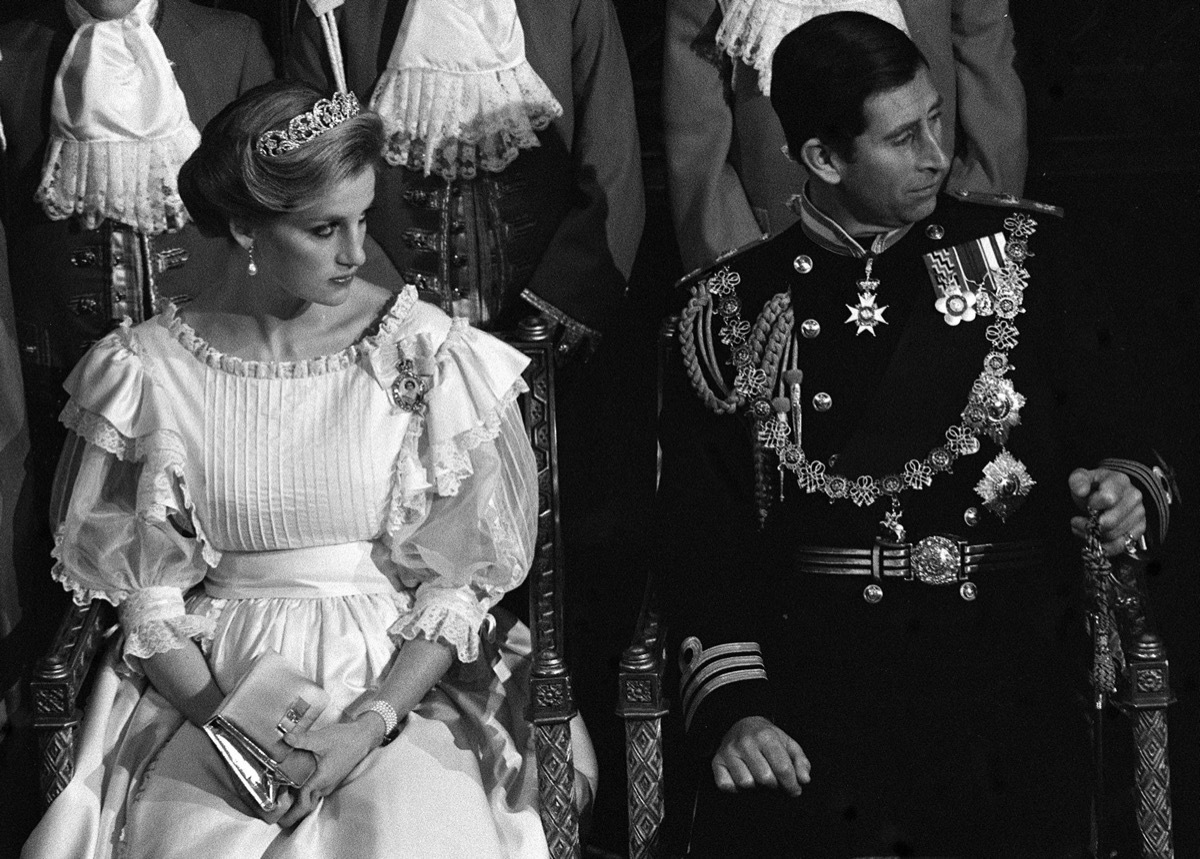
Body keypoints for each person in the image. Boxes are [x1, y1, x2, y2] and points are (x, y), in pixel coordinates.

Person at [22, 80, 584, 859]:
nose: (356, 253)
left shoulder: (421, 347)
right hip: (213, 683)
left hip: (392, 679)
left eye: (361, 220)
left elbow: (458, 583)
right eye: (324, 229)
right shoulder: (147, 370)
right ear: (247, 226)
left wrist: (368, 723)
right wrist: (237, 732)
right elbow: (146, 593)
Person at [657, 13, 1174, 858]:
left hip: (1004, 674)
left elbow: (1134, 444)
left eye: (937, 118)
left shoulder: (1027, 259)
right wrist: (736, 711)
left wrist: (1123, 490)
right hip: (816, 686)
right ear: (824, 160)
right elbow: (701, 543)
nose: (938, 153)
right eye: (904, 137)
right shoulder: (728, 310)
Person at [287, 0, 645, 353]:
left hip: (549, 343)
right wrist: (389, 313)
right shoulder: (334, 9)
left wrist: (564, 299)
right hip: (389, 340)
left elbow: (611, 155)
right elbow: (314, 183)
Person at [663, 0, 1029, 271]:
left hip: (938, 223)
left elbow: (989, 70)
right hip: (771, 234)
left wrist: (975, 226)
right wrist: (735, 259)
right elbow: (694, 125)